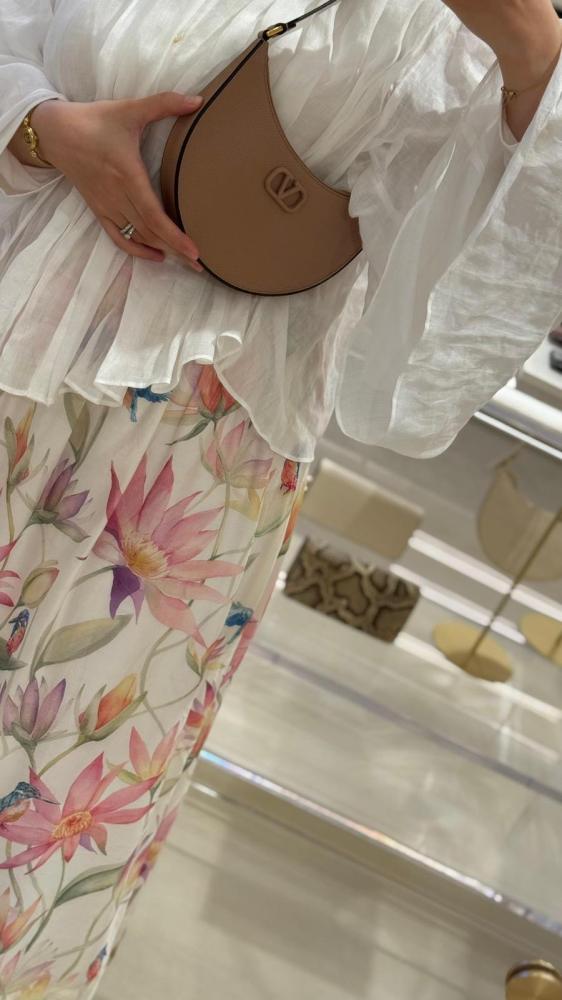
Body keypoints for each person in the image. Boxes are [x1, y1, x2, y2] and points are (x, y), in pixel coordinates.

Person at [0, 1, 560, 996]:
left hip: (172, 470)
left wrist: (533, 60)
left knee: (41, 805)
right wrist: (40, 127)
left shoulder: (451, 30)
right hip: (16, 307)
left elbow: (429, 332)